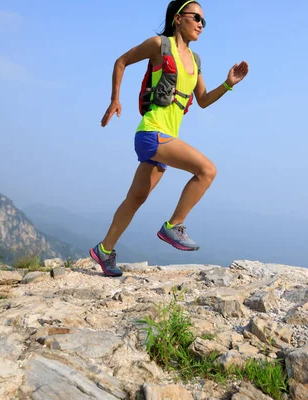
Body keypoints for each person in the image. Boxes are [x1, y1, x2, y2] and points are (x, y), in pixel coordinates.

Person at [90, 0, 249, 277]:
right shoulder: (159, 45)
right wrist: (115, 99)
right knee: (207, 170)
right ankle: (174, 226)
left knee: (135, 198)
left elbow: (203, 101)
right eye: (196, 17)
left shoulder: (195, 61)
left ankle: (104, 250)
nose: (201, 24)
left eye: (204, 21)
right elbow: (121, 61)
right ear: (178, 18)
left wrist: (227, 84)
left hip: (164, 138)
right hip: (152, 132)